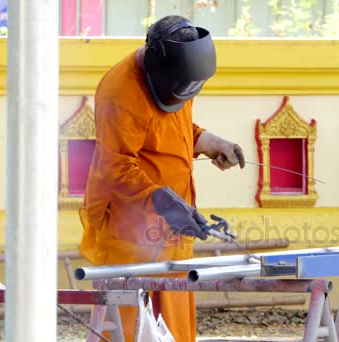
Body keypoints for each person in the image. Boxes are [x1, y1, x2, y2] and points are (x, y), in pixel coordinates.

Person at [78, 15, 245, 342]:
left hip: (174, 226)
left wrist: (211, 143)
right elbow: (115, 167)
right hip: (130, 233)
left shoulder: (177, 76)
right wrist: (161, 200)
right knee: (129, 330)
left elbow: (169, 129)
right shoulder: (119, 93)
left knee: (176, 329)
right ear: (158, 69)